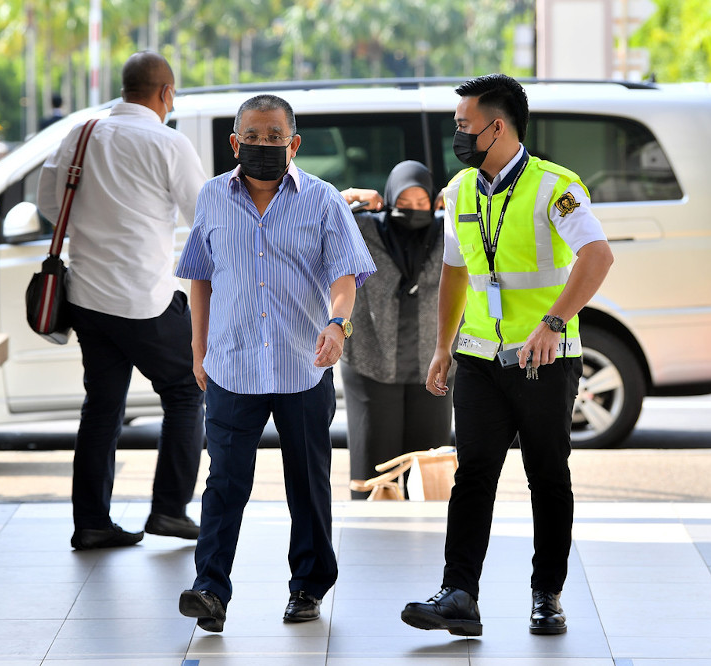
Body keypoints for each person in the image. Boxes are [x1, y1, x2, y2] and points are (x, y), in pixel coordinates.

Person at [400, 74, 614, 637]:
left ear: (499, 127)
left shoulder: (555, 186)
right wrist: (443, 347)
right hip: (476, 357)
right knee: (473, 474)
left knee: (547, 476)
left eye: (464, 126)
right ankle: (459, 594)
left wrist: (553, 322)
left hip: (543, 359)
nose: (458, 135)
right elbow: (454, 270)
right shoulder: (462, 188)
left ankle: (548, 595)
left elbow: (597, 256)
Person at [174, 94, 375, 632]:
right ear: (234, 143)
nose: (264, 147)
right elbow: (200, 275)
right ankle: (209, 590)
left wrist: (337, 324)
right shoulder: (214, 196)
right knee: (225, 483)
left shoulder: (323, 199)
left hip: (301, 365)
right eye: (253, 138)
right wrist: (199, 350)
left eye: (274, 137)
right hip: (232, 367)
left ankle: (308, 587)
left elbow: (346, 275)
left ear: (294, 144)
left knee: (307, 483)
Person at [38, 51, 207, 550]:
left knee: (103, 406)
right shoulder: (169, 142)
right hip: (145, 298)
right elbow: (203, 213)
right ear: (165, 94)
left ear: (125, 88)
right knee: (184, 391)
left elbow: (51, 204)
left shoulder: (81, 134)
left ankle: (92, 522)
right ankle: (170, 510)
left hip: (87, 297)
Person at [340, 161, 454, 499]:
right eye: (403, 203)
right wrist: (350, 195)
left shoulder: (451, 230)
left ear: (434, 201)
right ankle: (373, 529)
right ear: (389, 200)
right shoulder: (362, 229)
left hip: (433, 362)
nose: (413, 211)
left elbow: (497, 223)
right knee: (375, 465)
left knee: (428, 465)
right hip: (370, 360)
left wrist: (462, 199)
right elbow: (312, 211)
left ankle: (429, 531)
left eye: (421, 204)